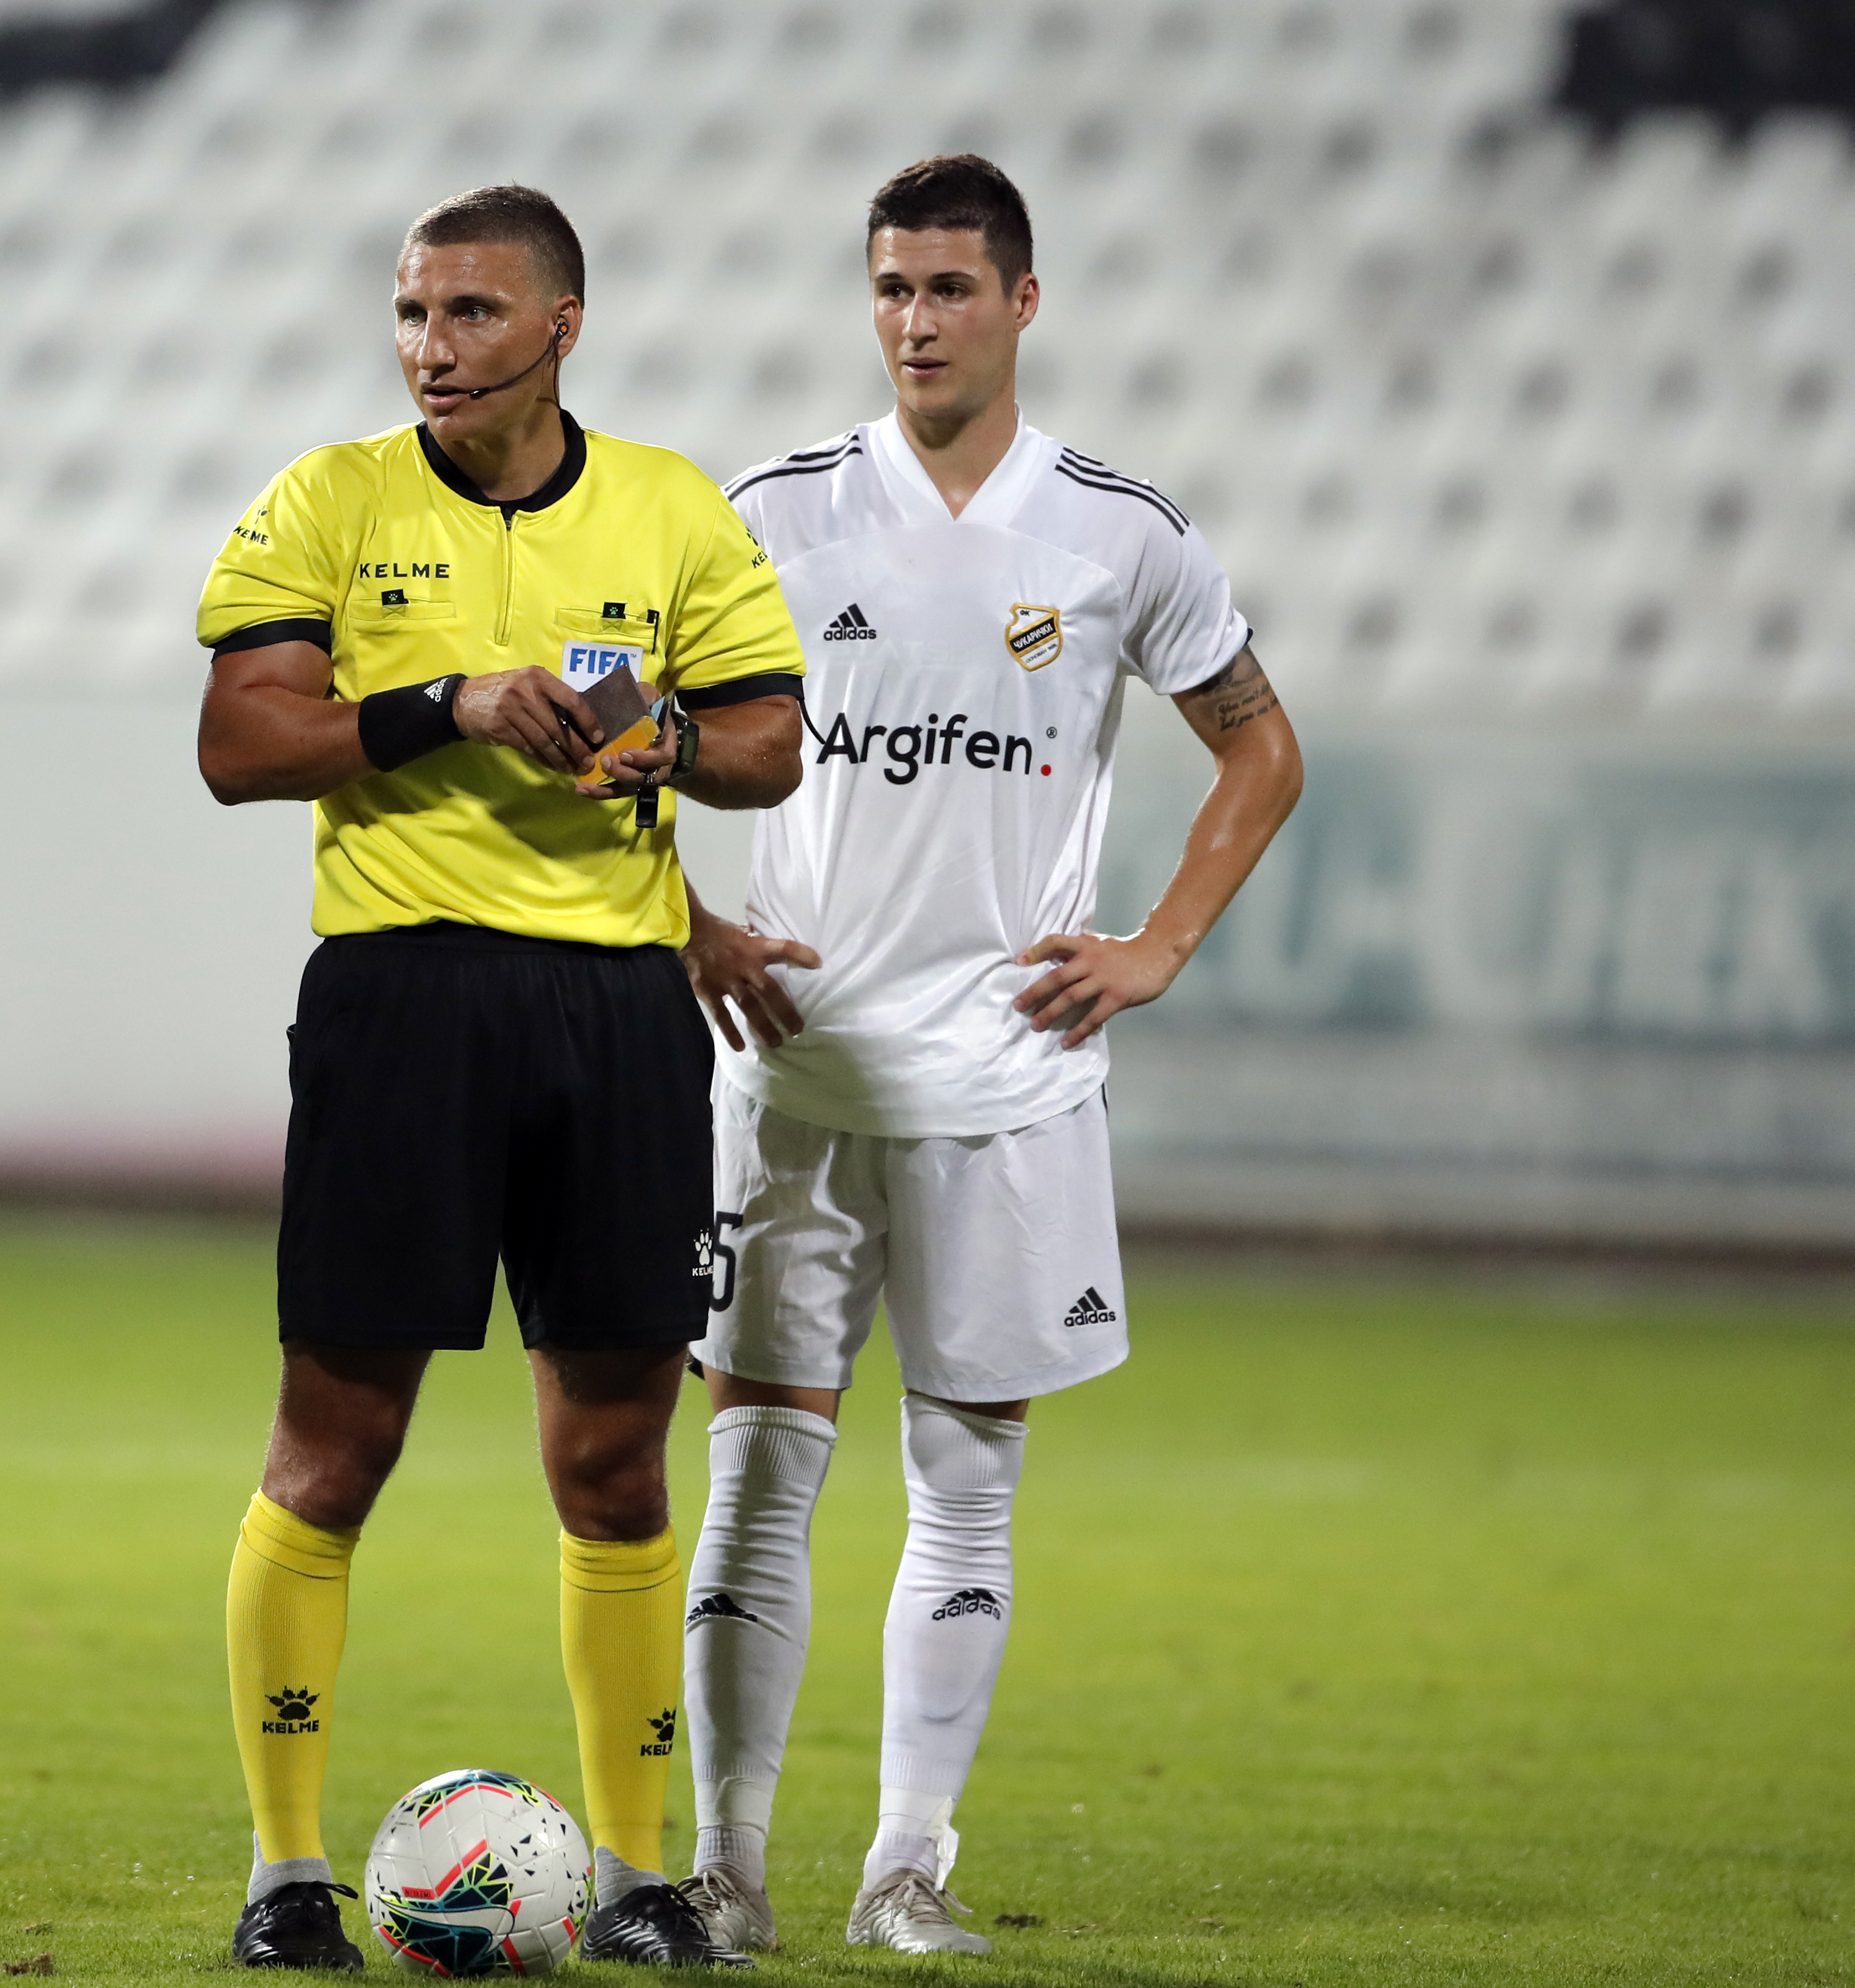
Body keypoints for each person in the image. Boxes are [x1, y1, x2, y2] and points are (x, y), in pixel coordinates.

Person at [671, 154, 1304, 1959]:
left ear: (1022, 301)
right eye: (887, 286)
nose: (914, 319)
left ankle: (906, 1867)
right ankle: (727, 1868)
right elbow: (621, 739)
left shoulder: (1117, 532)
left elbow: (1258, 749)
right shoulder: (772, 512)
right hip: (794, 1075)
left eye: (948, 286)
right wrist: (690, 925)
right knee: (757, 1472)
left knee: (965, 1480)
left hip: (1010, 1083)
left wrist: (1158, 941)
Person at [195, 183, 808, 1972]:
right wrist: (440, 704)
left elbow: (771, 741)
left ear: (558, 327)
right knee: (333, 1440)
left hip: (618, 1012)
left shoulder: (671, 506)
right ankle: (285, 1868)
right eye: (409, 313)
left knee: (616, 1454)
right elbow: (240, 742)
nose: (427, 348)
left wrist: (671, 737)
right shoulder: (332, 496)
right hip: (403, 998)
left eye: (467, 314)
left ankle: (634, 1873)